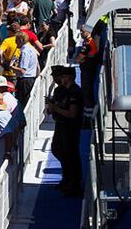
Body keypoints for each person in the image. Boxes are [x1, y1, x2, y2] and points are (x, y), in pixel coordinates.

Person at [47, 66, 83, 197]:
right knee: (58, 150)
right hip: (61, 125)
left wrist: (56, 108)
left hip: (70, 128)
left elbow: (72, 113)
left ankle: (73, 183)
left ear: (68, 77)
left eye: (63, 77)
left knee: (71, 155)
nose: (60, 79)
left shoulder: (74, 92)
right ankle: (67, 178)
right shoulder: (63, 91)